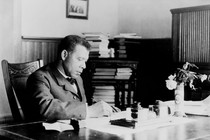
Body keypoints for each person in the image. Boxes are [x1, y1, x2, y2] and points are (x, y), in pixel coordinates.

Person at [26, 35, 119, 122]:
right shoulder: (40, 77)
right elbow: (45, 108)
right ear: (64, 55)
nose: (84, 66)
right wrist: (89, 111)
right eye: (80, 59)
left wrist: (104, 108)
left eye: (85, 61)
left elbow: (80, 105)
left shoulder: (78, 78)